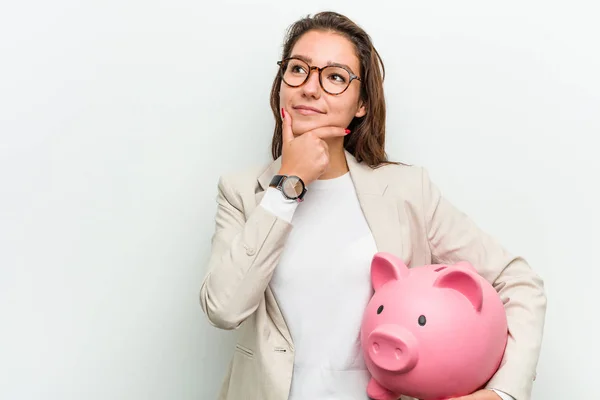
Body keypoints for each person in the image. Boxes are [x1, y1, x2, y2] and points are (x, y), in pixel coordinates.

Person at [199, 11, 546, 400]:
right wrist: (287, 186)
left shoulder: (406, 190)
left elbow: (518, 282)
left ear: (361, 103)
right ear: (281, 84)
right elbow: (224, 309)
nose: (310, 88)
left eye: (334, 76)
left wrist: (504, 393)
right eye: (298, 69)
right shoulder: (243, 192)